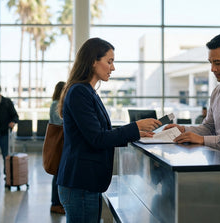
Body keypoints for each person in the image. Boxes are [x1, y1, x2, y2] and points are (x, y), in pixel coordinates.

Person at [56, 37, 161, 223]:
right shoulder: (79, 92)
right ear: (93, 61)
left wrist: (136, 133)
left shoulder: (88, 91)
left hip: (86, 183)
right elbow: (97, 138)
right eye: (109, 61)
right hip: (80, 183)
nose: (113, 68)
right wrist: (135, 127)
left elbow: (101, 132)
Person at [49, 81, 66, 214]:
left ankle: (58, 203)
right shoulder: (56, 104)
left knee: (59, 173)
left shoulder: (58, 104)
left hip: (61, 141)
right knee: (57, 173)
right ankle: (55, 203)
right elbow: (60, 121)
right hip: (59, 142)